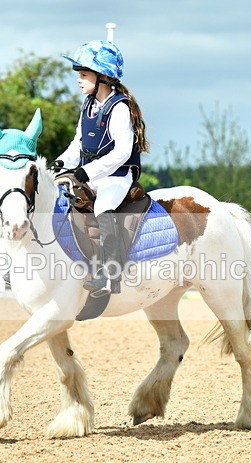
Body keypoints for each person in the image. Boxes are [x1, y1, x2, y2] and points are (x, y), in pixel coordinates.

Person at [53, 39, 150, 297]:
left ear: (103, 77)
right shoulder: (88, 105)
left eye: (84, 74)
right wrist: (61, 163)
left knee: (103, 207)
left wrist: (89, 171)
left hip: (116, 176)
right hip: (94, 174)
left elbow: (121, 152)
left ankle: (110, 276)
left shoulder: (119, 108)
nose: (78, 80)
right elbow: (78, 145)